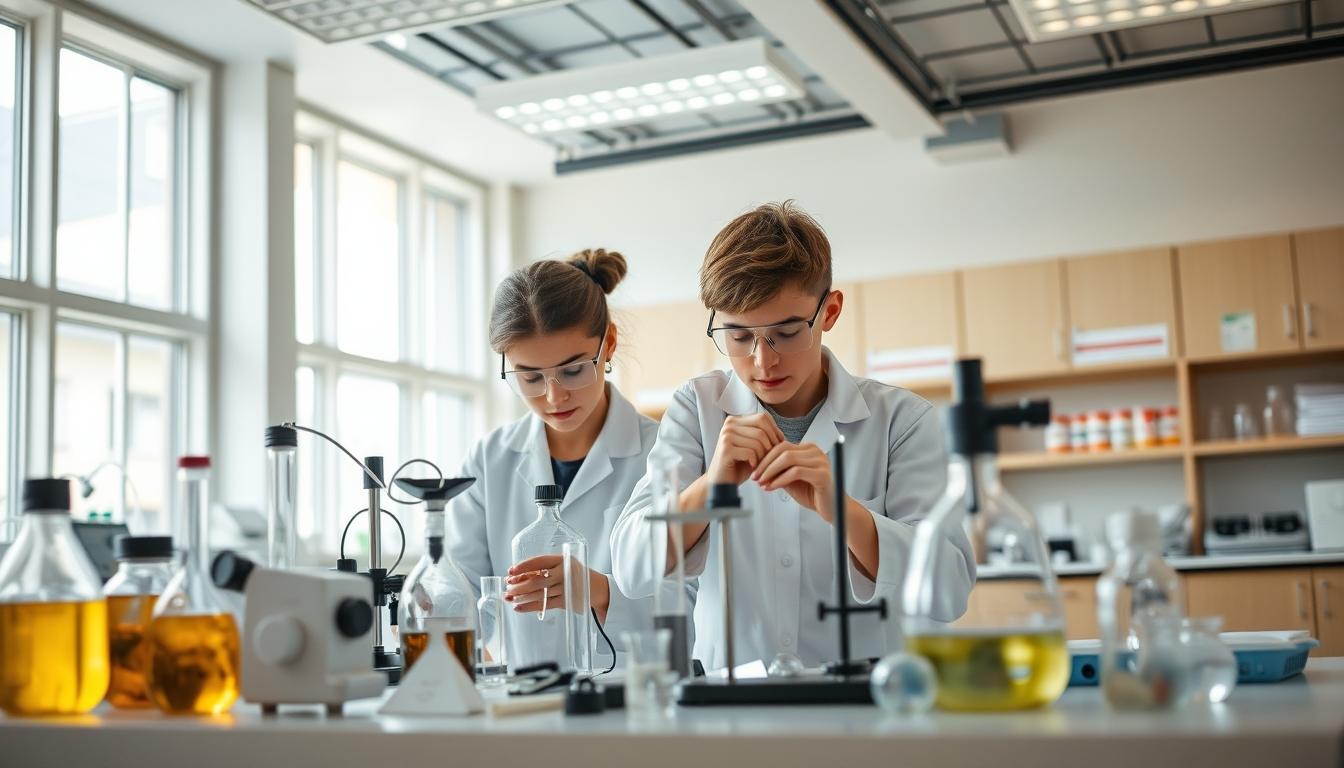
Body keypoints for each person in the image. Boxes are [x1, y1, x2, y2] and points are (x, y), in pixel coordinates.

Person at [609, 202, 974, 671]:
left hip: (869, 707)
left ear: (831, 311)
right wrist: (710, 487)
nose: (764, 362)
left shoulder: (901, 419)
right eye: (739, 337)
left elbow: (948, 589)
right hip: (733, 710)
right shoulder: (696, 409)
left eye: (786, 331)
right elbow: (632, 568)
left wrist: (841, 511)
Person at [445, 248, 679, 671]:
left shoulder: (665, 455)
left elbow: (698, 606)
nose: (553, 397)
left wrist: (600, 592)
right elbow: (458, 598)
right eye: (529, 377)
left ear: (608, 344)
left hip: (632, 702)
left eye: (573, 371)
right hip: (522, 704)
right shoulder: (487, 462)